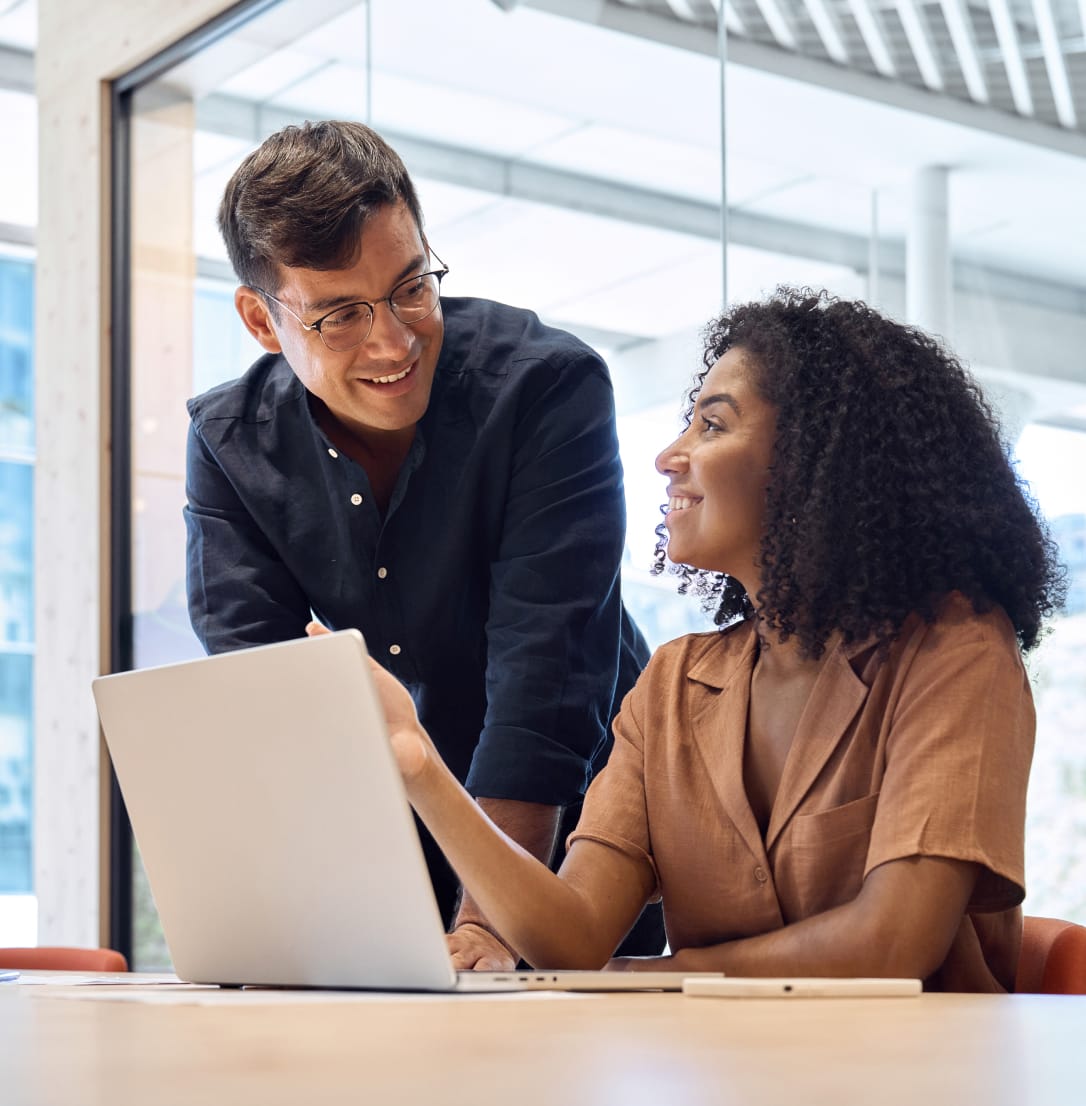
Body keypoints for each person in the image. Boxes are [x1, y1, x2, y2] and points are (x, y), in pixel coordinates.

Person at [355, 287, 1066, 991]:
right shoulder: (672, 685)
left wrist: (666, 975)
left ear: (814, 461)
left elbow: (893, 941)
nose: (670, 455)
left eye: (713, 426)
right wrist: (420, 768)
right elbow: (570, 934)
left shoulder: (955, 649)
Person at [184, 120, 662, 970]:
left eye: (411, 287)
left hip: (577, 851)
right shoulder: (231, 444)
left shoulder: (547, 390)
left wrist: (489, 920)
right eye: (340, 316)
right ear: (262, 319)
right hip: (386, 860)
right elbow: (265, 690)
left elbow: (543, 677)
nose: (395, 342)